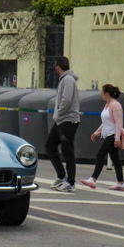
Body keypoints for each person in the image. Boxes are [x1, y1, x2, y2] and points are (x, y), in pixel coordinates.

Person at [80, 84, 124, 191]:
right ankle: (120, 183)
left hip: (113, 135)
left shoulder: (116, 105)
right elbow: (106, 122)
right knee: (115, 159)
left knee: (100, 155)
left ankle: (93, 179)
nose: (102, 95)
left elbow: (118, 123)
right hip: (108, 134)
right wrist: (97, 132)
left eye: (102, 93)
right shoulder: (107, 105)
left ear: (106, 94)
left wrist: (117, 139)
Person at [46, 56, 80, 192]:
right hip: (62, 120)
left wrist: (58, 113)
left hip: (68, 120)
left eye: (55, 66)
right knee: (50, 145)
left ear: (58, 66)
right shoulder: (64, 80)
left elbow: (66, 100)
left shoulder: (68, 80)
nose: (54, 68)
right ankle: (61, 176)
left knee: (67, 151)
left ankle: (71, 182)